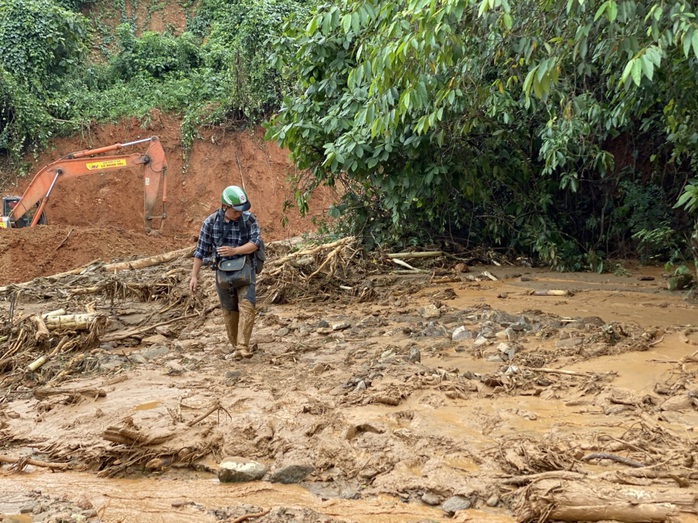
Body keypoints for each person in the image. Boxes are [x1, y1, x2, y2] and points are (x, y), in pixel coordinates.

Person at [190, 185, 261, 359]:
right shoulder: (210, 223)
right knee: (229, 310)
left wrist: (235, 251)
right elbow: (200, 251)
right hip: (223, 272)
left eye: (240, 211)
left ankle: (243, 346)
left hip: (246, 268)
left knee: (247, 305)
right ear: (224, 207)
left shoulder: (249, 220)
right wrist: (194, 276)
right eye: (235, 211)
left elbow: (256, 243)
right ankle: (236, 346)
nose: (239, 214)